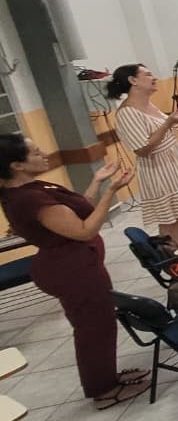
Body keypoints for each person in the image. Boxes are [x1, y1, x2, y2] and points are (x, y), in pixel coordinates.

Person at [0, 136, 152, 410]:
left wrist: (98, 181)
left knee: (100, 324)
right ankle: (104, 391)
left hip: (77, 264)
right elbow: (84, 230)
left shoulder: (33, 187)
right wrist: (111, 191)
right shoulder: (28, 199)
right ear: (17, 165)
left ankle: (106, 377)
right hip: (70, 270)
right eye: (36, 152)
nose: (45, 155)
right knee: (93, 328)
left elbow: (75, 212)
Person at [107, 63, 178, 248]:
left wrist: (174, 120)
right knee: (168, 221)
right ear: (133, 80)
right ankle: (175, 260)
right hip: (158, 169)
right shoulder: (127, 112)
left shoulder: (148, 104)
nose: (154, 78)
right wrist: (169, 122)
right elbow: (142, 148)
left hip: (173, 164)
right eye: (148, 74)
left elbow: (159, 132)